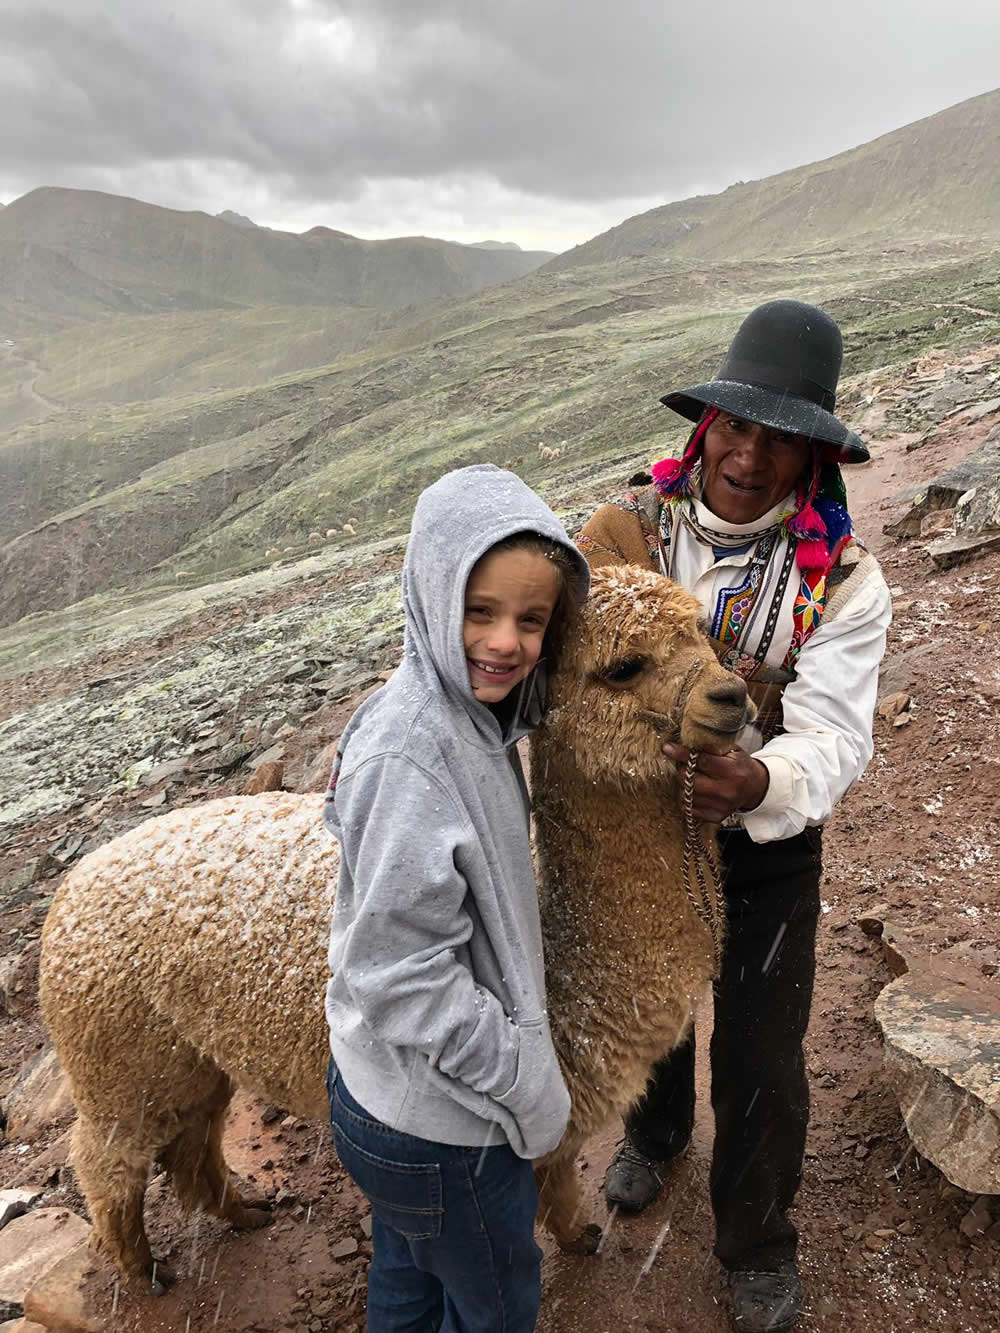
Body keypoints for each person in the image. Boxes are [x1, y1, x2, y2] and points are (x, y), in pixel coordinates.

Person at [576, 300, 891, 1332]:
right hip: (636, 835)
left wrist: (755, 785)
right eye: (739, 428)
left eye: (782, 437)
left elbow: (836, 735)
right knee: (651, 1011)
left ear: (814, 455)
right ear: (706, 428)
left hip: (764, 843)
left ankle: (756, 1240)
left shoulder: (842, 580)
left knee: (761, 1051)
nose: (752, 457)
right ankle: (656, 1133)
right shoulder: (627, 531)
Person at [323, 464, 590, 1333]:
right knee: (496, 1301)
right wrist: (519, 1076)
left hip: (395, 1108)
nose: (506, 641)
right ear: (434, 590)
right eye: (480, 610)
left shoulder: (460, 718)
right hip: (447, 1127)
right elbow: (398, 973)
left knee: (409, 1269)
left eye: (532, 619)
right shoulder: (416, 754)